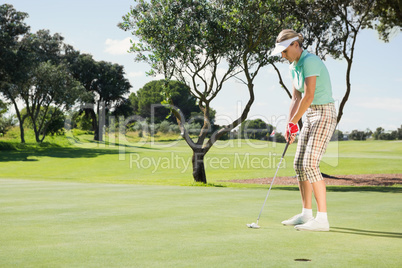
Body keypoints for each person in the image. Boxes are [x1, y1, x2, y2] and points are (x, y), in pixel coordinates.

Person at [271, 29, 337, 231]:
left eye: (284, 50)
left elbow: (309, 96)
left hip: (324, 113)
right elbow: (296, 98)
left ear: (295, 45)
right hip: (308, 115)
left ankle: (322, 219)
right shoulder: (293, 66)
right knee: (299, 163)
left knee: (310, 163)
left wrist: (294, 122)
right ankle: (306, 213)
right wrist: (290, 124)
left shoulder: (310, 61)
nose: (282, 55)